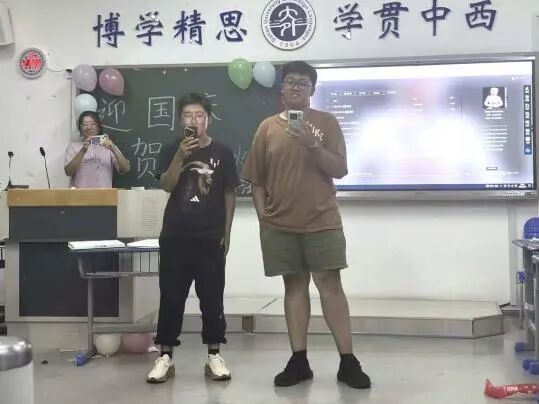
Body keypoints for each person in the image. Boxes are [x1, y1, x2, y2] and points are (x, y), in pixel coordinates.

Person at [242, 61, 371, 389]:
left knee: (331, 286)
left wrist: (312, 144)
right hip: (280, 224)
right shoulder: (267, 128)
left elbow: (340, 169)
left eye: (302, 82)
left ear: (312, 89)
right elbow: (256, 179)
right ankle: (299, 361)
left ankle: (348, 362)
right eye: (290, 82)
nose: (296, 87)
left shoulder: (327, 123)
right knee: (293, 287)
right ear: (282, 89)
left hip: (322, 221)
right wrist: (263, 216)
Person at [146, 93, 239, 384]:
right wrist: (179, 156)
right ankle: (165, 357)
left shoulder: (223, 152)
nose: (194, 120)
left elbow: (229, 193)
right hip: (175, 236)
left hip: (210, 237)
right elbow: (166, 185)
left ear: (208, 120)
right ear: (180, 120)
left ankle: (214, 355)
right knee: (171, 298)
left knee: (212, 299)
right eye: (188, 115)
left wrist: (227, 233)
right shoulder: (171, 149)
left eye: (199, 115)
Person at [64, 111, 130, 187]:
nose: (89, 127)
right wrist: (83, 150)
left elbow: (126, 168)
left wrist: (114, 149)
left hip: (104, 194)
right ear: (80, 128)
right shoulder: (73, 147)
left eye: (93, 124)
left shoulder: (108, 145)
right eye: (84, 125)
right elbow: (68, 172)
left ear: (98, 126)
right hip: (80, 193)